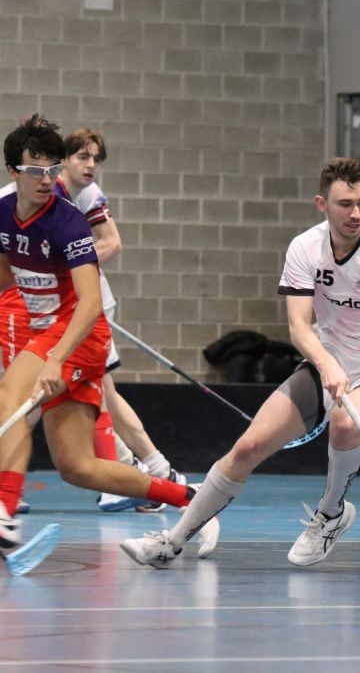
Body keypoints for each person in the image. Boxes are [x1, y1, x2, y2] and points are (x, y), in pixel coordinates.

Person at [120, 156, 360, 569]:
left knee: (345, 423)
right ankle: (170, 543)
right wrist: (327, 364)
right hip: (330, 357)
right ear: (321, 204)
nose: (356, 213)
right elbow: (299, 327)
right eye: (345, 204)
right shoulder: (305, 248)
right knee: (249, 446)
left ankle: (331, 514)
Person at [0, 114, 217, 559]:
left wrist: (55, 358)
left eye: (52, 169)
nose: (46, 179)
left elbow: (90, 303)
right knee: (77, 467)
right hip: (44, 332)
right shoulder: (2, 215)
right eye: (35, 170)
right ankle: (191, 500)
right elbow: (5, 283)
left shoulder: (67, 222)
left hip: (80, 333)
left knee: (10, 396)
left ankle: (3, 513)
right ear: (12, 172)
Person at [56, 128, 186, 512]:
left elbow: (112, 242)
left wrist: (63, 268)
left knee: (102, 392)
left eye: (95, 159)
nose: (91, 165)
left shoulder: (88, 194)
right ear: (63, 160)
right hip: (58, 306)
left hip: (89, 304)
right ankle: (147, 472)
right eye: (83, 157)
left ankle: (151, 474)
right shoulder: (40, 194)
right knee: (68, 392)